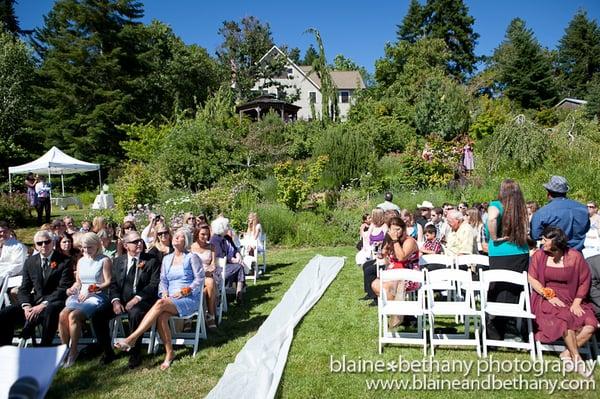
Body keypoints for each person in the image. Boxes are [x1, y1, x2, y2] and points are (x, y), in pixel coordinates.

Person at [114, 227, 205, 370]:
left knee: (160, 304)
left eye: (180, 236)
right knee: (161, 317)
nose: (175, 237)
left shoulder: (191, 257)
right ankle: (170, 353)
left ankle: (132, 338)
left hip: (188, 298)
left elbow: (200, 279)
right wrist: (163, 292)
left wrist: (185, 291)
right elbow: (162, 281)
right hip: (169, 298)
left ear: (186, 240)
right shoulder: (167, 258)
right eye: (175, 235)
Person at [528, 226, 597, 376]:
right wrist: (548, 295)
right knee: (565, 318)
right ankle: (577, 358)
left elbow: (585, 281)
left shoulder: (574, 256)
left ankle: (566, 353)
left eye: (545, 240)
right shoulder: (539, 256)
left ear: (555, 242)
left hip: (572, 297)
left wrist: (577, 302)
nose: (542, 242)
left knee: (591, 324)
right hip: (547, 298)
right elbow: (532, 278)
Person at [91, 231, 160, 367]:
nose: (139, 243)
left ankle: (135, 354)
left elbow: (153, 285)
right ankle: (108, 352)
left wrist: (136, 299)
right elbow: (114, 284)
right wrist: (115, 301)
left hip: (143, 300)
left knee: (134, 313)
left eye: (140, 240)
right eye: (134, 242)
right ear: (125, 245)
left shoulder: (152, 260)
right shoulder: (118, 261)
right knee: (97, 316)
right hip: (122, 299)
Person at [0, 230, 73, 347]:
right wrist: (26, 306)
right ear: (35, 246)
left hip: (56, 301)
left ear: (52, 243)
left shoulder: (64, 261)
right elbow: (24, 288)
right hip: (34, 302)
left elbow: (63, 287)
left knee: (50, 310)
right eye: (39, 243)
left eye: (47, 242)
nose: (43, 245)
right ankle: (4, 349)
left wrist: (43, 305)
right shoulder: (30, 262)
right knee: (6, 313)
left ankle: (44, 347)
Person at [484, 179, 530, 340]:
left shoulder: (496, 205)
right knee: (516, 290)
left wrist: (495, 237)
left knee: (499, 290)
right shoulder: (519, 208)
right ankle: (517, 328)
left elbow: (491, 218)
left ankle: (497, 329)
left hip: (500, 252)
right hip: (521, 252)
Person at [59, 232, 112, 367]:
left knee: (74, 316)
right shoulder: (81, 261)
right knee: (63, 314)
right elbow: (79, 282)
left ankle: (74, 350)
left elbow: (108, 282)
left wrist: (92, 289)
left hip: (97, 295)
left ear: (97, 246)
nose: (86, 251)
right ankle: (64, 349)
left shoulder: (104, 260)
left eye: (90, 247)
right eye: (84, 247)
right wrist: (72, 288)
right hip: (81, 294)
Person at [370, 217, 419, 327]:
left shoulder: (409, 241)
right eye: (393, 230)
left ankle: (398, 316)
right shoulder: (390, 240)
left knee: (387, 287)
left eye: (398, 229)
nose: (395, 232)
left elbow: (401, 257)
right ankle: (403, 314)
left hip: (409, 275)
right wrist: (384, 252)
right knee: (375, 284)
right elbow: (386, 257)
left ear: (403, 229)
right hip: (392, 274)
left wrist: (395, 241)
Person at [530, 176, 589, 251]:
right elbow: (586, 229)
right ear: (565, 192)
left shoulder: (542, 212)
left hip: (552, 256)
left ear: (548, 194)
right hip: (576, 255)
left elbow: (535, 236)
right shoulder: (583, 209)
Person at [191, 224, 219, 330]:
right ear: (197, 234)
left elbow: (213, 264)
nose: (205, 237)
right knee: (206, 287)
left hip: (207, 274)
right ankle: (200, 314)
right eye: (203, 234)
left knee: (210, 283)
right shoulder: (191, 247)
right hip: (194, 275)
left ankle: (210, 314)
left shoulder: (211, 247)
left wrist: (210, 269)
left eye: (207, 234)